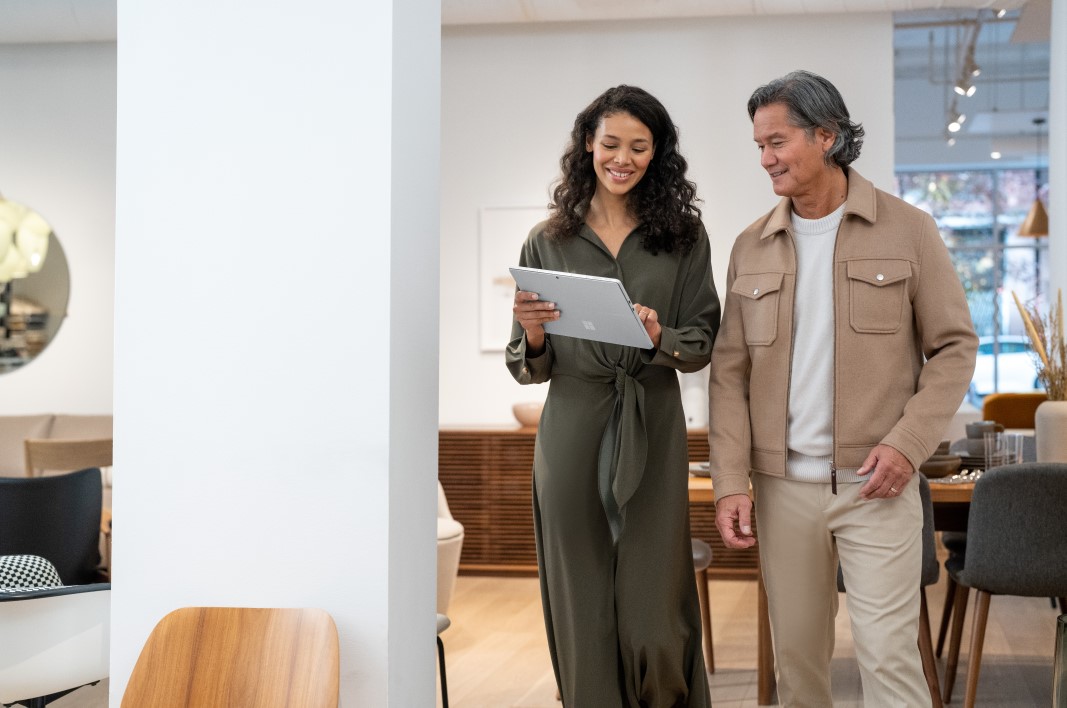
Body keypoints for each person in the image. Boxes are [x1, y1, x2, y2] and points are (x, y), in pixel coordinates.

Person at [707, 70, 977, 707]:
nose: (766, 159)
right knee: (798, 667)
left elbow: (954, 347)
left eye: (778, 142)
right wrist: (729, 484)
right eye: (759, 147)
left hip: (875, 485)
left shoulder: (908, 230)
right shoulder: (751, 245)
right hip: (780, 489)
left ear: (826, 136)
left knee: (890, 661)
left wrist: (908, 445)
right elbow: (728, 376)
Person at [507, 85, 719, 707]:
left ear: (658, 155)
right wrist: (533, 332)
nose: (621, 158)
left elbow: (702, 341)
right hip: (572, 423)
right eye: (610, 144)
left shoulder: (682, 238)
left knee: (655, 609)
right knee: (583, 600)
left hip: (651, 417)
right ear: (588, 147)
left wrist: (660, 338)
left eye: (638, 146)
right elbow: (529, 369)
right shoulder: (547, 239)